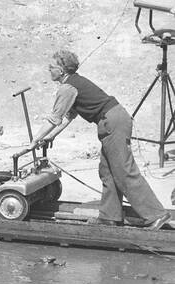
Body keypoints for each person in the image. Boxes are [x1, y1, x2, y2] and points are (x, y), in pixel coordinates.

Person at [17, 51, 169, 230]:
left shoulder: (67, 88)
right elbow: (68, 116)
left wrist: (34, 140)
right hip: (112, 120)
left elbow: (54, 118)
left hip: (113, 122)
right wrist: (51, 136)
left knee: (123, 170)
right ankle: (109, 217)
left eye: (52, 67)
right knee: (108, 171)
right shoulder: (73, 84)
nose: (48, 70)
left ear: (62, 70)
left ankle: (156, 215)